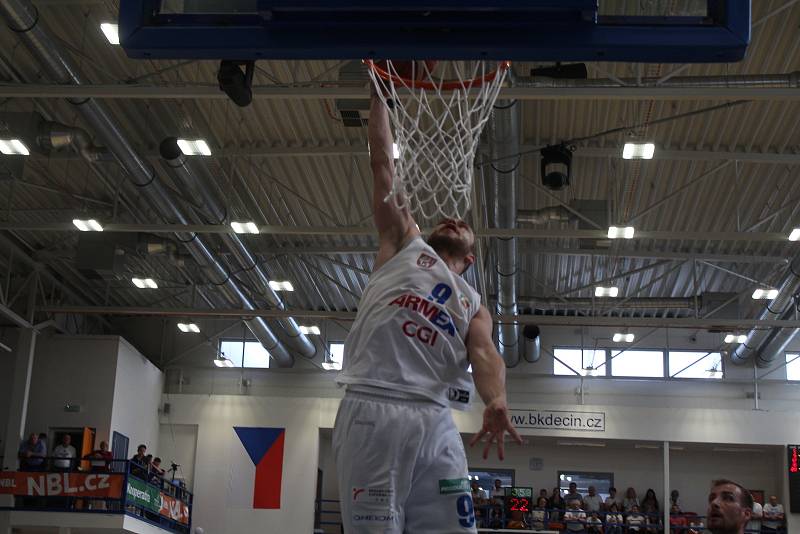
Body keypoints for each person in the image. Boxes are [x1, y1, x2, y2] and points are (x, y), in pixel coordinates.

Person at [332, 82, 522, 533]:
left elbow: (484, 354)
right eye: (450, 219)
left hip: (436, 418)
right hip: (373, 404)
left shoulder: (473, 302)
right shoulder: (402, 242)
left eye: (465, 226)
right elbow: (383, 165)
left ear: (470, 259)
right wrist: (380, 96)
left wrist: (496, 399)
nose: (456, 221)